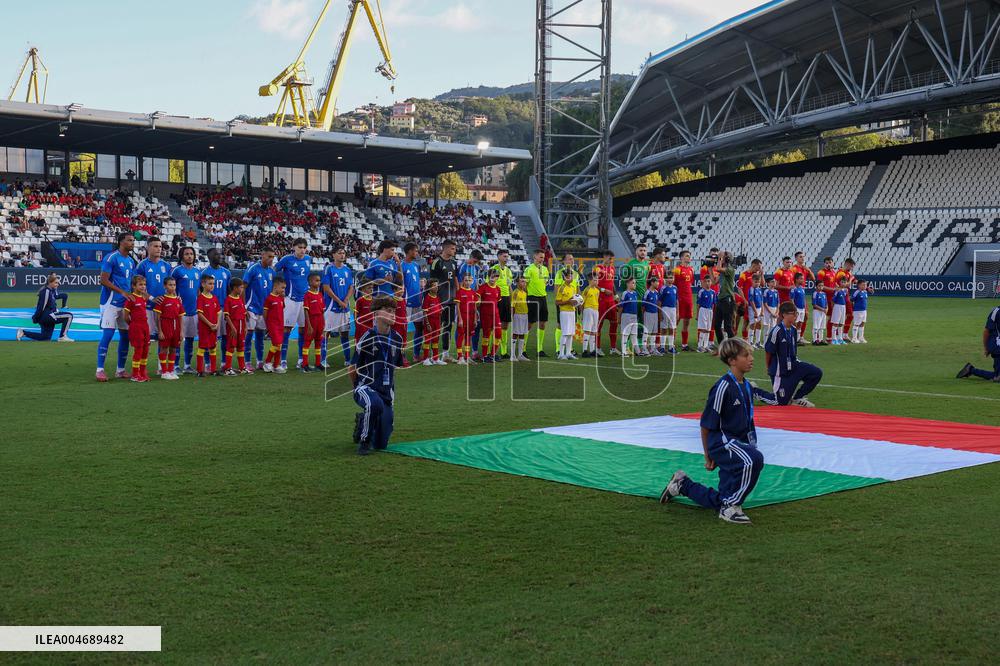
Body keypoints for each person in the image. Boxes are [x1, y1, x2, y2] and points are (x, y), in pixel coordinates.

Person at [658, 337, 765, 525]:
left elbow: (747, 420)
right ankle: (731, 507)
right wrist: (708, 454)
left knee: (723, 497)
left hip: (737, 444)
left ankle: (682, 485)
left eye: (751, 355)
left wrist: (750, 444)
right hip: (722, 443)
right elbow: (706, 424)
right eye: (746, 355)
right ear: (732, 360)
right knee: (754, 459)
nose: (751, 359)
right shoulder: (723, 387)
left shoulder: (747, 385)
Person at [350, 294, 404, 456]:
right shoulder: (367, 338)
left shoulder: (397, 338)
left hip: (386, 393)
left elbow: (395, 367)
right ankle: (364, 442)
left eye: (394, 311)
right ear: (376, 314)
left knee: (381, 444)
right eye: (388, 311)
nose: (393, 314)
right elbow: (352, 368)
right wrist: (357, 388)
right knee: (374, 404)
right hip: (366, 387)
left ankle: (363, 421)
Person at [96, 231, 137, 382]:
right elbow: (103, 280)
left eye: (133, 240)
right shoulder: (111, 257)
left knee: (125, 336)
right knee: (108, 335)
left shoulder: (131, 261)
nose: (132, 243)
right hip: (110, 303)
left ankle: (120, 370)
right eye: (129, 240)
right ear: (121, 242)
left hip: (124, 304)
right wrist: (122, 292)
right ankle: (99, 370)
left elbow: (129, 282)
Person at [765, 302, 823, 406]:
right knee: (780, 402)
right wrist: (769, 368)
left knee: (816, 373)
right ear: (784, 315)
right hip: (780, 371)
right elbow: (769, 351)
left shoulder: (793, 329)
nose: (796, 316)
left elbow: (793, 350)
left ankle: (797, 398)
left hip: (794, 366)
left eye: (796, 313)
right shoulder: (776, 331)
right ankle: (753, 390)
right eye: (794, 313)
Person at [275, 238, 312, 369]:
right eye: (299, 247)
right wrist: (280, 289)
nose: (302, 250)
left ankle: (301, 359)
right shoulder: (287, 259)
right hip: (290, 299)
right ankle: (283, 359)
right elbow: (274, 271)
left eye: (304, 247)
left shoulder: (308, 259)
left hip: (304, 299)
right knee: (286, 329)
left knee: (303, 329)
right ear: (294, 247)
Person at [136, 236, 171, 370]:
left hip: (163, 309)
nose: (158, 249)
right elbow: (137, 287)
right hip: (148, 308)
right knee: (146, 339)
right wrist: (151, 298)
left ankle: (161, 367)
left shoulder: (166, 266)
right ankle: (140, 367)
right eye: (155, 246)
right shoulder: (142, 265)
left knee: (163, 339)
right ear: (148, 248)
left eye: (160, 247)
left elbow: (170, 286)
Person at [170, 246, 201, 374]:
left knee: (190, 339)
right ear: (182, 256)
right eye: (187, 254)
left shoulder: (197, 271)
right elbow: (169, 287)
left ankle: (187, 365)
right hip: (179, 311)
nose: (189, 256)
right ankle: (175, 365)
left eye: (191, 254)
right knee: (178, 339)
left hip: (193, 311)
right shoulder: (176, 271)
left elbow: (198, 291)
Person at [243, 249, 276, 370]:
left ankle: (259, 361)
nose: (271, 259)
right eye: (269, 256)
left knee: (260, 336)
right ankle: (246, 362)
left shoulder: (272, 272)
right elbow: (243, 286)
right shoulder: (253, 268)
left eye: (273, 257)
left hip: (264, 309)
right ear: (262, 255)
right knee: (248, 335)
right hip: (251, 307)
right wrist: (243, 306)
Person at [322, 247, 354, 368]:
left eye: (343, 253)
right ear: (333, 255)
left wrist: (345, 300)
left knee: (345, 333)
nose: (342, 255)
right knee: (326, 333)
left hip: (344, 307)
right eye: (339, 253)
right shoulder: (329, 268)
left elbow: (351, 286)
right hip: (331, 307)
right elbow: (326, 287)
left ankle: (347, 360)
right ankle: (323, 359)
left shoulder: (347, 269)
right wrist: (338, 301)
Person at [17, 274, 73, 342]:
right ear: (50, 282)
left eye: (58, 283)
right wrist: (36, 317)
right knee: (69, 316)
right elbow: (41, 306)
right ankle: (63, 336)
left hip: (46, 316)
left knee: (45, 337)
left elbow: (48, 305)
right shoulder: (46, 291)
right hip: (47, 316)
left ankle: (23, 332)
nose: (57, 284)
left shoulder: (50, 291)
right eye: (56, 282)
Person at [428, 240, 458, 362]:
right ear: (444, 248)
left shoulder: (454, 263)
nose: (454, 251)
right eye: (452, 248)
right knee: (435, 327)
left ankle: (445, 354)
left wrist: (457, 294)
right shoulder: (436, 262)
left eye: (454, 249)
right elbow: (431, 283)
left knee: (448, 326)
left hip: (450, 301)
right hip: (439, 300)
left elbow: (455, 279)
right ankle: (430, 354)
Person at [956, 304, 1000, 382]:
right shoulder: (996, 312)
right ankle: (971, 370)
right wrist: (986, 348)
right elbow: (986, 331)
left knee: (997, 376)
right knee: (998, 378)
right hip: (997, 347)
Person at [203, 248, 232, 360]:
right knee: (209, 337)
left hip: (224, 308)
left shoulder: (226, 272)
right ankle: (207, 363)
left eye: (221, 254)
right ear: (210, 257)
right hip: (209, 309)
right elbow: (200, 292)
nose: (220, 256)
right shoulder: (204, 272)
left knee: (225, 336)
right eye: (217, 254)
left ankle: (224, 362)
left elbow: (229, 291)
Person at [123, 275, 152, 383]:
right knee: (138, 350)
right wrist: (132, 325)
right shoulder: (131, 298)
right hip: (136, 327)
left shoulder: (144, 298)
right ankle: (135, 375)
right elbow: (126, 316)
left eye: (144, 284)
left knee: (146, 350)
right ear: (134, 286)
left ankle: (143, 373)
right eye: (140, 284)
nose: (143, 287)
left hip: (145, 326)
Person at [153, 276, 183, 379]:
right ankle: (164, 371)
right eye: (170, 285)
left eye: (174, 285)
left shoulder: (178, 300)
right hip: (166, 325)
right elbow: (157, 317)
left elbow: (180, 316)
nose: (173, 287)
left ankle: (171, 370)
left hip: (176, 326)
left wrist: (181, 331)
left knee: (174, 348)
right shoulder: (162, 299)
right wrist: (160, 331)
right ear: (165, 286)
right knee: (164, 348)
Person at [523, 249, 551, 357]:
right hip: (532, 298)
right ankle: (523, 349)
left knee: (543, 323)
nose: (542, 259)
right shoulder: (529, 269)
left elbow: (545, 282)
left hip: (543, 298)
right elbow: (524, 285)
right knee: (529, 324)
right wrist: (529, 295)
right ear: (534, 257)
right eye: (540, 257)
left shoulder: (545, 269)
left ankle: (540, 349)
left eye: (543, 257)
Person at [489, 249, 515, 357]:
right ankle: (491, 351)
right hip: (497, 299)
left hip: (506, 299)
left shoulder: (509, 271)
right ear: (499, 257)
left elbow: (509, 286)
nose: (506, 258)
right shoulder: (493, 269)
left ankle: (504, 351)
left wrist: (512, 300)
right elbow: (489, 285)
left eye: (507, 256)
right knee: (493, 325)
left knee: (505, 325)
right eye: (504, 256)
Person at [222, 278, 250, 375]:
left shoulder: (240, 299)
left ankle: (242, 368)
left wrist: (245, 327)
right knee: (230, 346)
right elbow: (226, 316)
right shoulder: (228, 300)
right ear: (234, 288)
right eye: (241, 287)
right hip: (233, 327)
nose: (242, 289)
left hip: (242, 326)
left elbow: (243, 314)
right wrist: (233, 327)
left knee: (241, 347)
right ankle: (227, 368)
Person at [401, 242, 423, 362]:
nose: (417, 253)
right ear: (409, 251)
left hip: (417, 302)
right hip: (406, 302)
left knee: (420, 328)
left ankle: (416, 354)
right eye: (415, 250)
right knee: (402, 329)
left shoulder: (415, 265)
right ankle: (401, 356)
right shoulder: (401, 266)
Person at [195, 275, 222, 377]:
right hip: (205, 328)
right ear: (203, 284)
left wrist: (217, 324)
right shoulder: (201, 298)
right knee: (202, 348)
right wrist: (210, 324)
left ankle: (213, 370)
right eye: (210, 283)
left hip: (214, 328)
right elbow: (200, 314)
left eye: (213, 284)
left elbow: (219, 312)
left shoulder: (214, 298)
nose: (212, 286)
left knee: (213, 347)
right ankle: (199, 371)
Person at [301, 273, 326, 372]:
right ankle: (305, 364)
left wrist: (324, 324)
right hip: (311, 321)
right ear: (310, 282)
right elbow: (306, 311)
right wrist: (309, 325)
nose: (319, 282)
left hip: (320, 321)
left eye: (319, 280)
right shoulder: (307, 295)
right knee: (307, 342)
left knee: (318, 342)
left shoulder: (320, 295)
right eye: (317, 280)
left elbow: (323, 311)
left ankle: (318, 363)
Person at [711, 251, 738, 345]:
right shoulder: (723, 271)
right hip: (721, 299)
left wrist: (720, 257)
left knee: (727, 326)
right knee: (717, 325)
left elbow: (718, 268)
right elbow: (714, 282)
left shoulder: (730, 269)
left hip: (728, 299)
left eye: (723, 258)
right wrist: (710, 268)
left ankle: (734, 347)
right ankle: (722, 347)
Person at [673, 250, 696, 351]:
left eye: (689, 256)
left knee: (687, 322)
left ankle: (684, 345)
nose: (689, 258)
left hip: (689, 299)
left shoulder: (691, 269)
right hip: (680, 299)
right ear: (681, 258)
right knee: (675, 322)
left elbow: (689, 284)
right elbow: (674, 285)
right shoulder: (677, 270)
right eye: (687, 256)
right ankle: (671, 344)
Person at [263, 277, 287, 373]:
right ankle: (267, 362)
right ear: (275, 287)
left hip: (280, 324)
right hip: (273, 325)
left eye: (284, 288)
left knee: (279, 345)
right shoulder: (269, 298)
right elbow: (265, 312)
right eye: (282, 288)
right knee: (276, 344)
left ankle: (276, 365)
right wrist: (268, 324)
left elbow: (282, 308)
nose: (283, 290)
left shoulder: (281, 298)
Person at [477, 270, 502, 362]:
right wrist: (478, 300)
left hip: (496, 314)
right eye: (491, 276)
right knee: (486, 335)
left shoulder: (498, 289)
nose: (493, 278)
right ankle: (484, 356)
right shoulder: (483, 287)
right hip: (485, 315)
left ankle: (492, 354)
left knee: (498, 334)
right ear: (488, 276)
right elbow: (477, 298)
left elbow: (498, 302)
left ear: (497, 278)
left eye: (495, 276)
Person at [554, 266, 579, 360]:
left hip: (572, 311)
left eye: (571, 276)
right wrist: (568, 302)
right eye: (568, 277)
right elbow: (557, 302)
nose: (571, 278)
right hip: (564, 312)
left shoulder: (573, 287)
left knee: (571, 333)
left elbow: (573, 300)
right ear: (564, 278)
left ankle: (568, 353)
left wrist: (577, 303)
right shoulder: (561, 288)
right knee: (565, 333)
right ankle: (561, 353)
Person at [455, 272, 479, 365]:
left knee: (469, 337)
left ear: (472, 281)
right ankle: (460, 357)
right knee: (461, 336)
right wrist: (460, 319)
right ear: (463, 281)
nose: (468, 282)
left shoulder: (473, 292)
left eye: (469, 280)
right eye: (466, 280)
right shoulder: (460, 291)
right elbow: (458, 307)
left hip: (471, 317)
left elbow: (475, 307)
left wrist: (475, 319)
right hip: (463, 317)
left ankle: (467, 356)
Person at [421, 279, 444, 366]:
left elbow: (438, 308)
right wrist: (427, 324)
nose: (436, 287)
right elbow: (424, 312)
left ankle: (435, 358)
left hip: (437, 322)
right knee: (427, 340)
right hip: (430, 322)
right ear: (430, 287)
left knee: (435, 340)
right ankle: (425, 359)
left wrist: (440, 310)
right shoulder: (427, 297)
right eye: (434, 285)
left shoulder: (437, 297)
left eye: (437, 285)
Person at [816, 256, 839, 341]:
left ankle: (829, 336)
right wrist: (833, 289)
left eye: (830, 262)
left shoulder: (834, 272)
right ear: (824, 264)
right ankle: (817, 337)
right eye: (827, 263)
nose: (828, 264)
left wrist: (839, 288)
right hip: (823, 298)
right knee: (822, 317)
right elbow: (820, 286)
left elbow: (835, 283)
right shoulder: (821, 272)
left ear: (833, 263)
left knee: (831, 317)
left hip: (832, 298)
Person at [617, 277, 640, 356]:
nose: (634, 284)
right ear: (628, 284)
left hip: (634, 316)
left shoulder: (635, 293)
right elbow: (621, 307)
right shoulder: (625, 293)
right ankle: (623, 352)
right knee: (625, 334)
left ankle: (638, 351)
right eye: (633, 283)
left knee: (634, 334)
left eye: (635, 283)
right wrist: (619, 317)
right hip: (626, 315)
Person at [580, 272, 601, 358]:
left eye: (597, 280)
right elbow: (581, 303)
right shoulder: (586, 290)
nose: (597, 282)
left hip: (596, 310)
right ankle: (584, 350)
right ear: (589, 280)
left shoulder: (597, 290)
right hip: (588, 310)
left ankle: (592, 350)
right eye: (595, 280)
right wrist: (582, 314)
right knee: (587, 330)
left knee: (593, 331)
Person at [836, 258, 858, 339]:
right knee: (841, 316)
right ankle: (839, 334)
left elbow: (856, 281)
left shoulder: (848, 272)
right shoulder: (841, 273)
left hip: (846, 295)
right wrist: (851, 279)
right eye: (851, 266)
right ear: (847, 264)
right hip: (841, 296)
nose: (852, 268)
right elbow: (845, 285)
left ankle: (844, 334)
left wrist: (866, 287)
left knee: (850, 315)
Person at [510, 276, 530, 362]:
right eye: (522, 282)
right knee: (515, 334)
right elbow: (512, 306)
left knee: (522, 334)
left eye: (525, 282)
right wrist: (512, 317)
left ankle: (520, 355)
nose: (524, 283)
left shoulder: (525, 292)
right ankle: (512, 355)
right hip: (517, 315)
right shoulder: (515, 292)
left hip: (525, 315)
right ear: (517, 283)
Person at [353, 281, 375, 360]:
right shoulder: (360, 301)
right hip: (362, 327)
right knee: (360, 343)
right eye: (369, 288)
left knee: (371, 343)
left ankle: (369, 360)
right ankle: (356, 361)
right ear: (363, 290)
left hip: (371, 326)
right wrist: (357, 324)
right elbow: (355, 313)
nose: (371, 289)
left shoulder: (374, 300)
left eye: (372, 288)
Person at [696, 275, 717, 353]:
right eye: (706, 281)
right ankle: (700, 346)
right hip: (703, 310)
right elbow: (698, 304)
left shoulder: (713, 292)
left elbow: (713, 304)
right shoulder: (701, 292)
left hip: (710, 311)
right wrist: (697, 314)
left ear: (711, 282)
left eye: (709, 281)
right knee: (703, 328)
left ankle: (706, 346)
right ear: (703, 283)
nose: (707, 283)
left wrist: (713, 314)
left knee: (708, 329)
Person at [658, 271, 678, 354]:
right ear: (665, 279)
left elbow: (677, 301)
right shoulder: (663, 288)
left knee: (671, 328)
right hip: (665, 309)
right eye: (669, 277)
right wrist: (660, 313)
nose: (670, 279)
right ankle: (662, 347)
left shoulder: (675, 288)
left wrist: (677, 312)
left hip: (673, 309)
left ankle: (671, 347)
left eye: (672, 277)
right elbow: (659, 302)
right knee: (664, 328)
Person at [641, 276, 661, 356]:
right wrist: (643, 316)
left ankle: (652, 349)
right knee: (647, 332)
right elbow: (643, 306)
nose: (658, 283)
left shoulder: (656, 292)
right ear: (652, 283)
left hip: (655, 314)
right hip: (648, 314)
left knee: (654, 332)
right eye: (657, 282)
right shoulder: (647, 292)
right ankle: (644, 349)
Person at [850, 279, 872, 343]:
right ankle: (854, 338)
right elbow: (851, 300)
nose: (865, 286)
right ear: (859, 285)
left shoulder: (865, 292)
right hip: (857, 311)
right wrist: (852, 308)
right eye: (863, 285)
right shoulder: (857, 292)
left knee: (862, 323)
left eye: (865, 285)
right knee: (856, 324)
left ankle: (861, 337)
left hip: (864, 310)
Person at [830, 277, 849, 345]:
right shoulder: (837, 290)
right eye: (842, 282)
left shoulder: (845, 291)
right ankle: (834, 339)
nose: (843, 283)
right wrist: (833, 309)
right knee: (836, 323)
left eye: (845, 282)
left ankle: (840, 338)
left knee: (841, 323)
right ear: (839, 282)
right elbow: (832, 300)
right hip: (837, 307)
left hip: (843, 307)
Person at [747, 274, 765, 348]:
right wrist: (755, 311)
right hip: (752, 308)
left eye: (758, 282)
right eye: (756, 282)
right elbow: (751, 301)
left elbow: (761, 300)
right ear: (752, 281)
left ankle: (757, 342)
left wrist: (762, 310)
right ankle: (750, 342)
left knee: (759, 324)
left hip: (759, 308)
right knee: (752, 324)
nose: (757, 283)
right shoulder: (751, 289)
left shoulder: (759, 289)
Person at [790, 273, 808, 342]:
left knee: (800, 323)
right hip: (797, 308)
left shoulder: (802, 289)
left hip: (802, 308)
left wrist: (805, 309)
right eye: (801, 278)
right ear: (796, 279)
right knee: (794, 323)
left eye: (803, 278)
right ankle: (792, 338)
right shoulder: (793, 289)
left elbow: (804, 299)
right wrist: (795, 309)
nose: (803, 280)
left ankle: (798, 339)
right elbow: (791, 300)